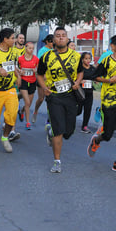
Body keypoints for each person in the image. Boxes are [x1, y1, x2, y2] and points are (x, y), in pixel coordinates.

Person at [86, 34, 116, 173]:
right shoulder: (107, 61)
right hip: (109, 101)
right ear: (113, 47)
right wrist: (109, 80)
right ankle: (97, 140)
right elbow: (94, 76)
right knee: (108, 135)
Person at [37, 26, 83, 173]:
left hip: (70, 96)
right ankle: (57, 161)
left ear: (68, 38)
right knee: (59, 130)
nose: (61, 37)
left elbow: (81, 72)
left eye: (64, 35)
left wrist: (77, 82)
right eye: (58, 36)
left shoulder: (76, 56)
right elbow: (39, 75)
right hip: (54, 96)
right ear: (54, 40)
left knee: (68, 131)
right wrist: (44, 88)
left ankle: (52, 131)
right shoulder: (46, 57)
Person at [17, 42, 39, 130]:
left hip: (32, 82)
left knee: (28, 104)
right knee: (27, 102)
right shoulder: (20, 59)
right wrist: (19, 71)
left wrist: (36, 70)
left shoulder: (36, 59)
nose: (32, 50)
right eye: (30, 48)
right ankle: (27, 122)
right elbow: (16, 67)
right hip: (23, 82)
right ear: (26, 48)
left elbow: (39, 69)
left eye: (33, 48)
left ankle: (21, 111)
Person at [33, 34, 53, 123]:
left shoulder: (54, 50)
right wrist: (43, 75)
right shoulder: (42, 51)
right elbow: (39, 65)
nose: (53, 43)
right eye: (51, 41)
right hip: (42, 77)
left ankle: (49, 119)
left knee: (50, 99)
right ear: (47, 42)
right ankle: (35, 111)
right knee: (41, 99)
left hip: (51, 78)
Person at [77, 52, 95, 133]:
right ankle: (68, 119)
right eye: (86, 58)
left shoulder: (92, 68)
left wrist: (96, 80)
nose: (88, 60)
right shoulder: (79, 68)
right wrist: (80, 81)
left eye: (89, 58)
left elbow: (96, 76)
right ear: (82, 59)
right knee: (78, 110)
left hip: (89, 92)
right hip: (80, 92)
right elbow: (74, 78)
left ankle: (84, 126)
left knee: (88, 109)